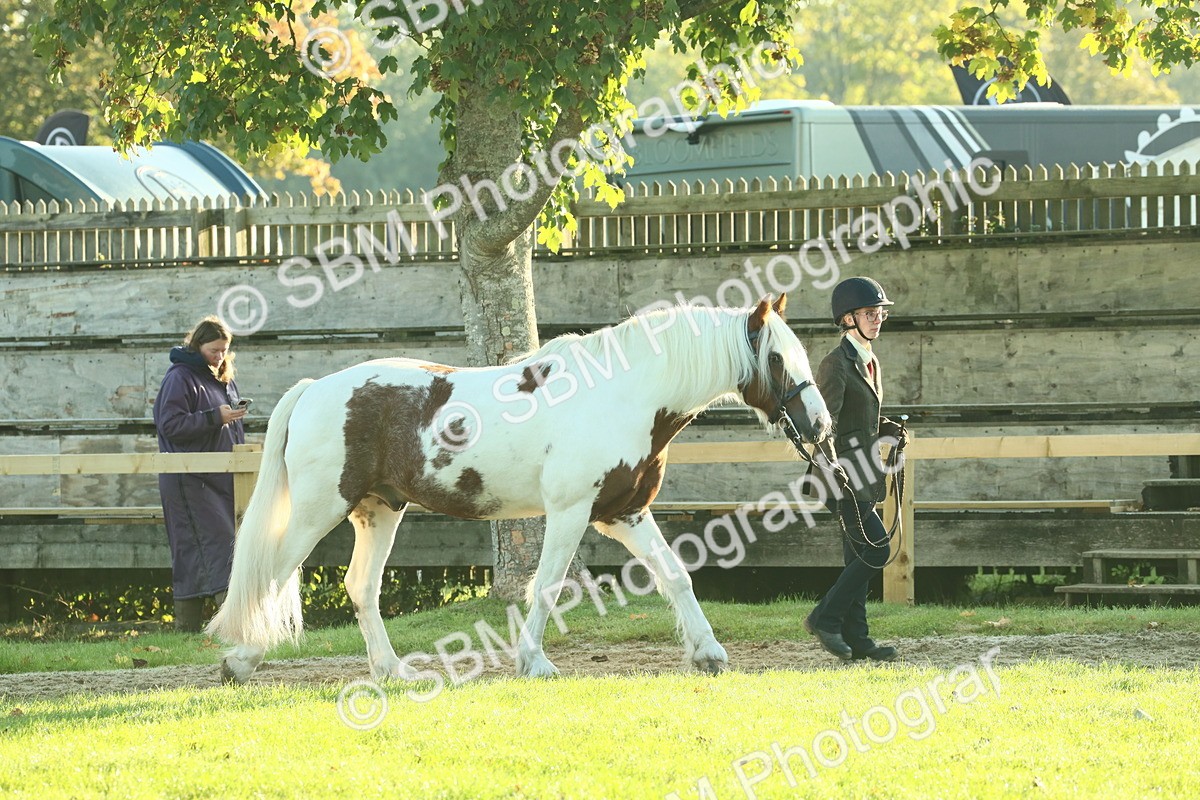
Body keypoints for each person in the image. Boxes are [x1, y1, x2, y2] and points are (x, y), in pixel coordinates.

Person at [804, 277, 905, 662]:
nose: (877, 319)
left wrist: (885, 430)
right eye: (869, 313)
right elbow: (822, 425)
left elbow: (857, 419)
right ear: (847, 319)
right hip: (841, 476)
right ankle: (824, 617)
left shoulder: (869, 359)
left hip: (864, 472)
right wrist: (839, 473)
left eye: (880, 313)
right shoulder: (835, 364)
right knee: (878, 550)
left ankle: (858, 640)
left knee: (858, 556)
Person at [152, 316, 247, 632]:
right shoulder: (179, 378)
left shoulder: (223, 379)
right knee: (217, 546)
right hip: (187, 479)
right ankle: (231, 625)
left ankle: (190, 628)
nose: (219, 356)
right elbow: (170, 425)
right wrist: (213, 417)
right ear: (197, 345)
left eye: (224, 350)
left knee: (206, 548)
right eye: (213, 350)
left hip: (219, 478)